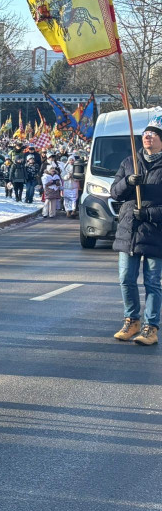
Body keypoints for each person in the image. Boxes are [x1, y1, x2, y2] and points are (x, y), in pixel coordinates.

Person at [110, 108, 162, 347]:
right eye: (145, 133)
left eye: (153, 134)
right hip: (129, 232)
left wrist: (150, 212)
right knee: (126, 279)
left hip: (155, 233)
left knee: (152, 282)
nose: (147, 137)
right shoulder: (130, 161)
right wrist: (128, 182)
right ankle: (132, 321)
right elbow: (115, 192)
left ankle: (151, 327)